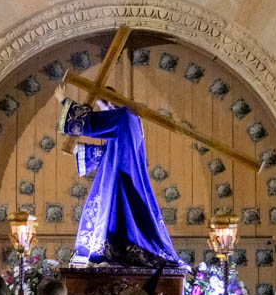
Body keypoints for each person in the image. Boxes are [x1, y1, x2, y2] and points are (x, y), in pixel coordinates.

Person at [57, 86, 185, 268]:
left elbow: (90, 123)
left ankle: (112, 254)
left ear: (108, 102)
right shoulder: (133, 121)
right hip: (124, 174)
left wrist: (64, 101)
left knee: (115, 212)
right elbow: (113, 151)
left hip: (119, 178)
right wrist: (80, 150)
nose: (100, 109)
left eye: (101, 104)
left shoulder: (123, 117)